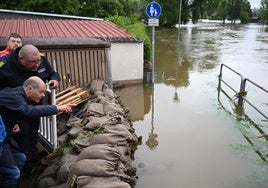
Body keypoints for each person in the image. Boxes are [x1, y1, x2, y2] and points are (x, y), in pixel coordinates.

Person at [0, 44, 61, 172]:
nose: (37, 64)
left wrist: (54, 79)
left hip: (34, 108)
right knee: (21, 140)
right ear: (21, 59)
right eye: (33, 62)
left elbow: (52, 73)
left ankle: (32, 163)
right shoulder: (5, 66)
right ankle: (22, 169)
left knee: (33, 135)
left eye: (38, 61)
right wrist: (12, 121)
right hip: (14, 111)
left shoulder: (40, 60)